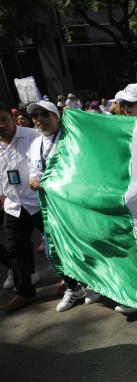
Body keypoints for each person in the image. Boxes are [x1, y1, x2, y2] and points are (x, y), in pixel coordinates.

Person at [26, 100, 96, 312]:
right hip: (50, 208)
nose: (39, 120)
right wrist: (33, 181)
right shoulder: (35, 145)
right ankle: (73, 287)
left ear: (57, 117)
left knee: (83, 246)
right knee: (51, 251)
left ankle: (94, 284)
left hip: (73, 205)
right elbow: (33, 171)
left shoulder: (71, 140)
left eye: (45, 115)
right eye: (35, 116)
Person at [0, 102, 42, 311]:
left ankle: (73, 281)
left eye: (4, 119)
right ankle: (24, 291)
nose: (2, 126)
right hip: (13, 206)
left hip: (39, 202)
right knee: (15, 249)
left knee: (57, 243)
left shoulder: (33, 135)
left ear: (12, 117)